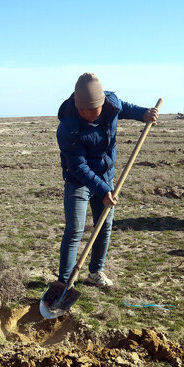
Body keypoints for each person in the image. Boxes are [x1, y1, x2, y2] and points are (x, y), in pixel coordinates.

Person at [55, 73, 158, 287]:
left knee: (104, 225)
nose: (88, 115)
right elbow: (78, 166)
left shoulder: (111, 102)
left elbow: (125, 107)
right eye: (83, 111)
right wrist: (103, 190)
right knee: (74, 229)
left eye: (93, 111)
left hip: (105, 174)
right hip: (79, 181)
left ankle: (95, 272)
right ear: (76, 105)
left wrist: (144, 114)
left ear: (102, 103)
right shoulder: (67, 126)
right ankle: (65, 282)